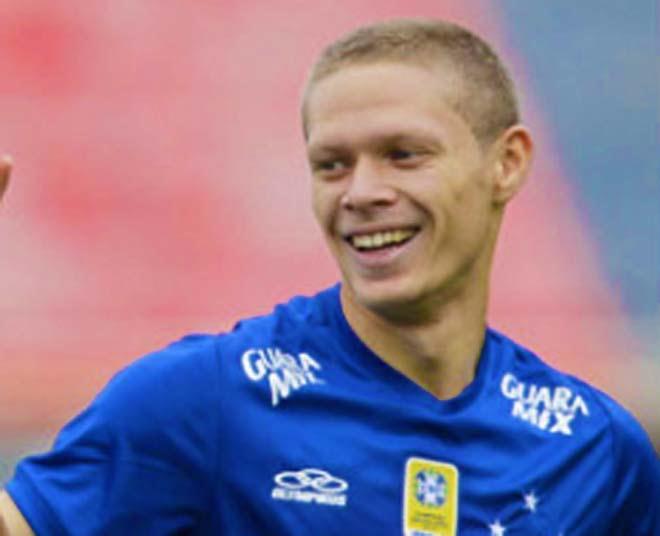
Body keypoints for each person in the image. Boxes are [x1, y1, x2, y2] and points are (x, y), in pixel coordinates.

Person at [1, 18, 657, 536]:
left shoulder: (596, 451)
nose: (362, 192)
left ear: (507, 163)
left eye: (403, 154)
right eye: (332, 165)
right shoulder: (206, 400)